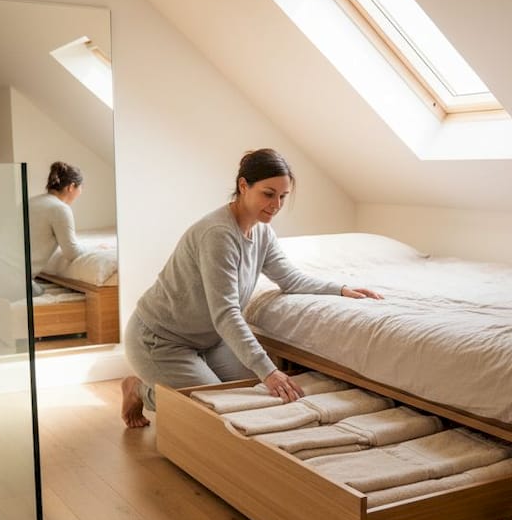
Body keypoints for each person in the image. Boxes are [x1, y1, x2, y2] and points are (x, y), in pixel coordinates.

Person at [121, 148, 382, 428]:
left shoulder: (262, 231)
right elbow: (225, 312)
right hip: (161, 339)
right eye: (268, 194)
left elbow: (290, 279)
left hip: (209, 341)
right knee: (211, 408)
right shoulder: (218, 234)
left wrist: (340, 289)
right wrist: (268, 371)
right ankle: (139, 390)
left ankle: (177, 378)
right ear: (243, 186)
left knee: (251, 395)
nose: (277, 204)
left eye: (283, 196)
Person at [27, 161, 87, 295]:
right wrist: (96, 249)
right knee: (38, 291)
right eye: (80, 189)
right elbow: (72, 252)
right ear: (71, 187)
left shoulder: (31, 201)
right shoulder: (60, 209)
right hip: (15, 278)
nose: (79, 194)